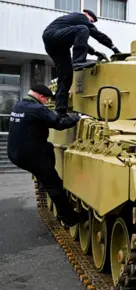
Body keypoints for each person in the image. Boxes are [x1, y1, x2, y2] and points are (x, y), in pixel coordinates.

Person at [7, 84, 81, 227]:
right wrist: (76, 117)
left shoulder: (19, 105)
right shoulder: (38, 109)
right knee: (55, 184)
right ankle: (69, 218)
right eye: (46, 99)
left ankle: (44, 178)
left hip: (15, 153)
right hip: (30, 155)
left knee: (49, 147)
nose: (47, 101)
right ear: (41, 96)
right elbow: (59, 123)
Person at [42, 9, 120, 115]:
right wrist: (113, 47)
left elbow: (81, 43)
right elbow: (96, 34)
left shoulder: (70, 26)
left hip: (56, 46)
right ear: (86, 14)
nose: (91, 23)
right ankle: (78, 61)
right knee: (83, 29)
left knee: (66, 76)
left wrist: (96, 53)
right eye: (91, 21)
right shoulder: (80, 17)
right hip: (53, 37)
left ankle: (60, 111)